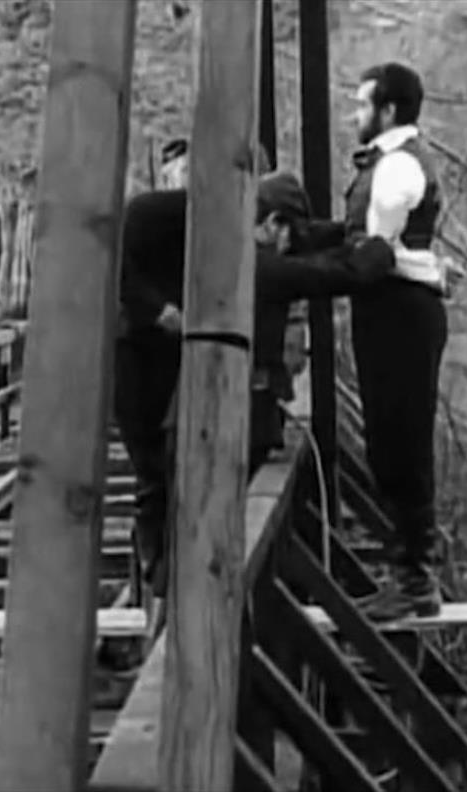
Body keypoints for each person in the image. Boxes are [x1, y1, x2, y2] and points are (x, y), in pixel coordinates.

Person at [114, 167, 396, 604]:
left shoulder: (244, 240)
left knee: (169, 485)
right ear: (268, 223)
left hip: (177, 366)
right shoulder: (180, 224)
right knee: (154, 477)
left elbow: (308, 248)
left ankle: (164, 589)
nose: (288, 247)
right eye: (284, 234)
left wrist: (355, 232)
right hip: (139, 353)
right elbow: (314, 275)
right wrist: (155, 309)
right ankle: (159, 586)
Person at [341, 62, 450, 622]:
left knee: (401, 439)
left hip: (399, 309)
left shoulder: (398, 165)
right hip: (392, 308)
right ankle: (405, 572)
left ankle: (413, 577)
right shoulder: (390, 163)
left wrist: (328, 268)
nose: (355, 114)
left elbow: (377, 250)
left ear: (387, 110)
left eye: (363, 104)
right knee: (389, 439)